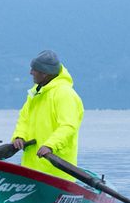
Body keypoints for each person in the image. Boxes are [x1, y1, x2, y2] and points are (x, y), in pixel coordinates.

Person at [11, 50, 84, 181]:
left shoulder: (64, 94)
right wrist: (19, 136)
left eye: (34, 69)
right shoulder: (35, 94)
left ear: (44, 73)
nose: (30, 72)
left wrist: (50, 145)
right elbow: (24, 119)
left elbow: (68, 126)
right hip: (31, 170)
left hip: (57, 174)